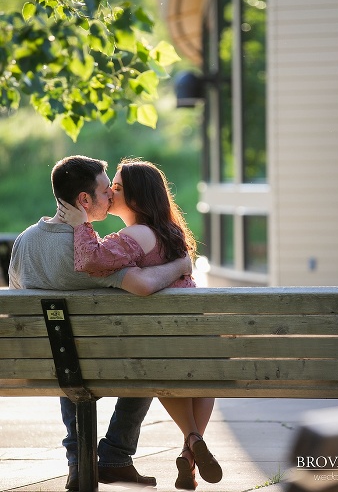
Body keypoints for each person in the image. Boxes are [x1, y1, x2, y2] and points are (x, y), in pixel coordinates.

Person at [9, 155, 193, 491]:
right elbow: (142, 284)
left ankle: (78, 462)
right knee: (144, 357)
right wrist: (180, 265)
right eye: (107, 190)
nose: (111, 196)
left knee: (65, 351)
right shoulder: (86, 253)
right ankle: (116, 454)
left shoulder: (23, 243)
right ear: (84, 200)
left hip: (43, 362)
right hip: (109, 363)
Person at [58, 157, 221, 490]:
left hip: (160, 342)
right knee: (204, 380)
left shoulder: (136, 235)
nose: (111, 192)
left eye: (117, 187)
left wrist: (80, 224)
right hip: (195, 337)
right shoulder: (170, 232)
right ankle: (190, 453)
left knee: (158, 370)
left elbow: (91, 259)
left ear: (136, 196)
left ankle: (191, 439)